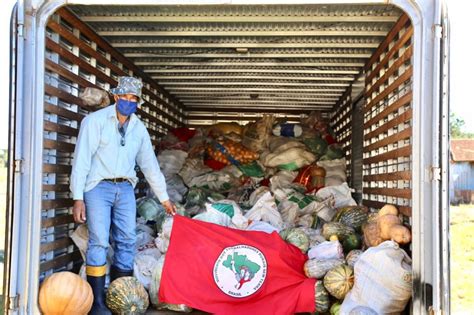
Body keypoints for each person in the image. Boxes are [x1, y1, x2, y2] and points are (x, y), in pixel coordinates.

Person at [70, 76, 176, 314]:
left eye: (133, 99)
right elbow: (82, 161)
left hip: (125, 188)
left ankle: (120, 298)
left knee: (127, 240)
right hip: (98, 187)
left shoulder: (139, 129)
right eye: (125, 97)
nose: (129, 102)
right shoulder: (94, 122)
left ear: (138, 102)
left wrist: (164, 199)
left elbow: (150, 166)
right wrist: (78, 197)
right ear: (116, 96)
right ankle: (97, 303)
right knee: (99, 240)